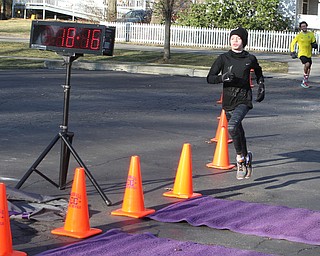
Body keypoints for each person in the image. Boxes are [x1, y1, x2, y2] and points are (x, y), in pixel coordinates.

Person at [206, 27, 265, 180]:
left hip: (244, 99)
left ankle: (239, 160)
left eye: (238, 39)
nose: (234, 41)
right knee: (237, 129)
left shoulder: (249, 58)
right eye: (232, 38)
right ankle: (246, 158)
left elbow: (258, 71)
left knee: (232, 126)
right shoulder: (223, 58)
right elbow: (210, 78)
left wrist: (261, 85)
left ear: (243, 41)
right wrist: (222, 78)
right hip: (228, 100)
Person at [290, 21, 317, 88]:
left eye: (305, 26)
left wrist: (315, 45)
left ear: (306, 26)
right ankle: (305, 76)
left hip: (309, 54)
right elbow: (292, 43)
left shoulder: (311, 34)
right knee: (307, 64)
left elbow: (314, 42)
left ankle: (305, 81)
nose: (304, 27)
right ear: (300, 28)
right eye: (302, 26)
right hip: (302, 53)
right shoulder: (299, 36)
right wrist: (292, 52)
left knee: (309, 68)